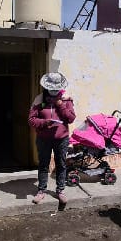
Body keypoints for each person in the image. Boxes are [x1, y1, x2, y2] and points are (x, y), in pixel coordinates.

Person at [28, 72, 76, 206]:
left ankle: (60, 190)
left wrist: (60, 105)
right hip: (44, 138)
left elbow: (71, 119)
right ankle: (41, 191)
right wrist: (44, 123)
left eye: (56, 88)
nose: (53, 91)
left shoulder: (66, 99)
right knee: (43, 164)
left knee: (61, 164)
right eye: (51, 88)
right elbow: (31, 120)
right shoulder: (39, 99)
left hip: (62, 138)